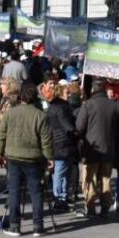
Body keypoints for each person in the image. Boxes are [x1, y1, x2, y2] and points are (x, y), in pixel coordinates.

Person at [0, 83, 53, 237]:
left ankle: (15, 226)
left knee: (14, 192)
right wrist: (49, 157)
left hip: (13, 157)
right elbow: (46, 140)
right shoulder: (41, 115)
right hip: (33, 159)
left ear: (21, 96)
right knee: (36, 192)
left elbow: (1, 135)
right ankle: (38, 226)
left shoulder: (10, 113)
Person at [76, 78, 119, 217]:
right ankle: (105, 207)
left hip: (92, 149)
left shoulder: (88, 105)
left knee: (91, 180)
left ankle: (90, 207)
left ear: (93, 89)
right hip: (108, 148)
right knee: (106, 179)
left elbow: (79, 127)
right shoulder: (115, 105)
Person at [47, 80, 79, 211]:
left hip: (59, 143)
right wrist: (76, 132)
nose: (69, 95)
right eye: (67, 93)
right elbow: (67, 126)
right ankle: (59, 198)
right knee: (60, 173)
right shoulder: (61, 108)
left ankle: (62, 197)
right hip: (62, 143)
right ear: (61, 94)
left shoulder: (54, 106)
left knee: (63, 172)